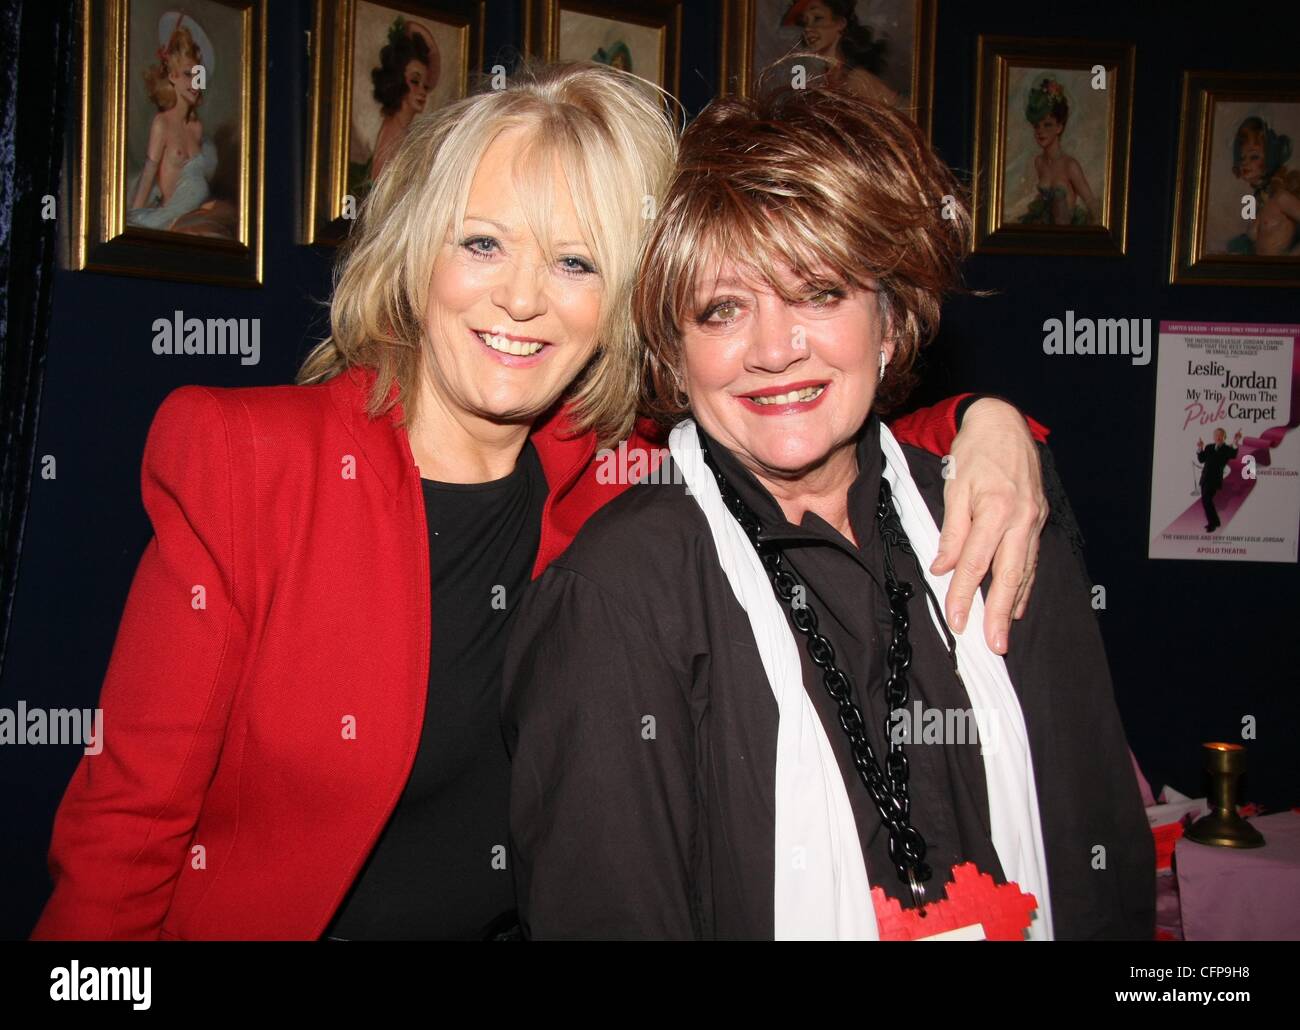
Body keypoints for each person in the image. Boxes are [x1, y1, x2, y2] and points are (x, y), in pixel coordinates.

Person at [33, 61, 1047, 941]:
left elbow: (797, 421)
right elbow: (124, 831)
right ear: (412, 254)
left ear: (622, 302)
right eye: (482, 244)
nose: (521, 298)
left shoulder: (601, 460)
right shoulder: (252, 462)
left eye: (574, 262)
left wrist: (985, 425)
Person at [503, 82, 1154, 940]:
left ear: (888, 318)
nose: (775, 350)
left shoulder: (1000, 520)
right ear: (674, 351)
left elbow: (1098, 866)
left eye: (818, 292)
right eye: (723, 308)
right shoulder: (617, 599)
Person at [1017, 76, 1098, 227]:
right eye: (1036, 126)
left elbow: (1092, 204)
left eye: (1047, 125)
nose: (1040, 131)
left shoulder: (1070, 166)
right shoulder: (1039, 162)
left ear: (1059, 127)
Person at [783, 0, 897, 105]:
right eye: (804, 23)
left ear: (840, 23)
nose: (807, 29)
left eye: (817, 18)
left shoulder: (858, 79)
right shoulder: (823, 78)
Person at [1197, 427, 1243, 532]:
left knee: (1206, 500)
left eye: (1220, 435)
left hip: (1214, 480)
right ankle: (1216, 521)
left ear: (1224, 437)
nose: (1218, 437)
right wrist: (1200, 448)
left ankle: (1212, 524)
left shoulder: (1227, 449)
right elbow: (1201, 459)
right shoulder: (1208, 447)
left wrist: (1236, 441)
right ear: (1213, 437)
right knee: (1206, 501)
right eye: (1216, 435)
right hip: (1204, 478)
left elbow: (1234, 454)